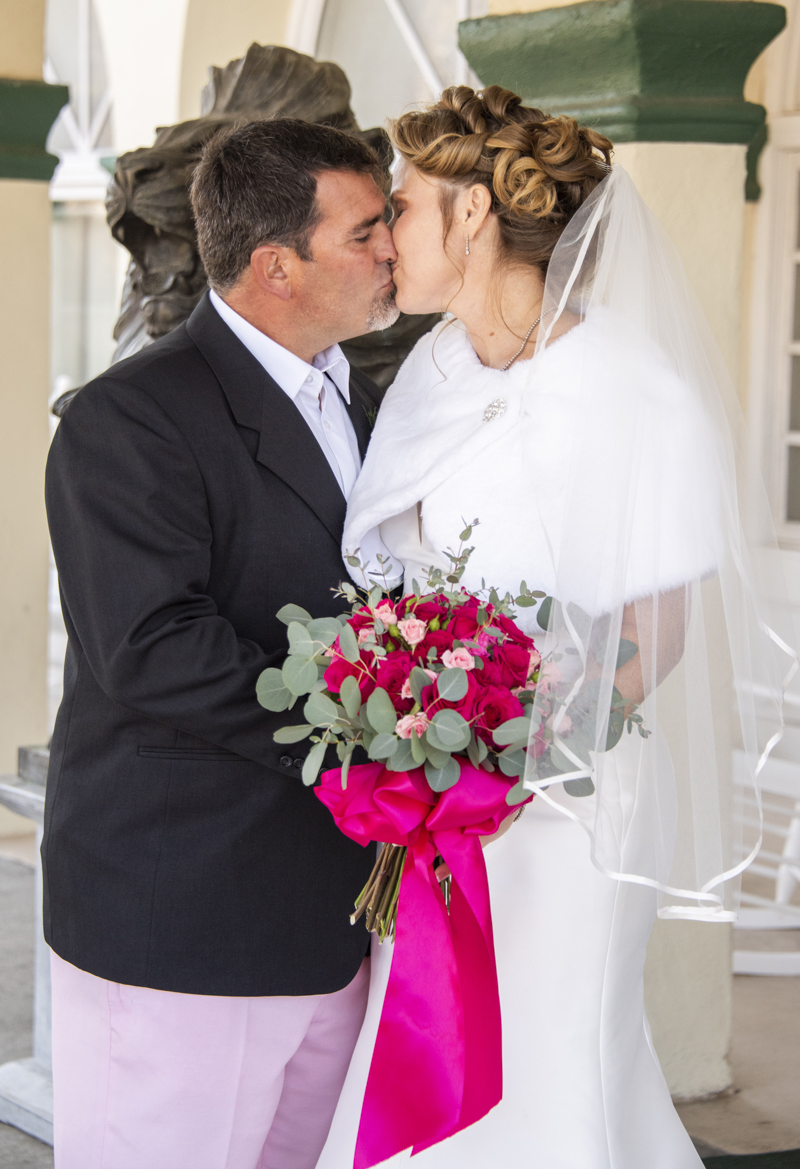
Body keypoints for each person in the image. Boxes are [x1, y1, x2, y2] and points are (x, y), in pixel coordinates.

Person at [317, 85, 788, 1168]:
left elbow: (657, 618)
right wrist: (408, 736)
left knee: (551, 1055)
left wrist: (515, 748)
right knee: (425, 1035)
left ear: (472, 216)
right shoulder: (428, 372)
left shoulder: (627, 384)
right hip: (428, 798)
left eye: (404, 202)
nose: (386, 230)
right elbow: (387, 582)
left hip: (564, 800)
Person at [43, 118, 400, 1169]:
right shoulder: (128, 419)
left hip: (335, 916)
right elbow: (154, 649)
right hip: (184, 914)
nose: (391, 249)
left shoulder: (372, 400)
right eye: (366, 230)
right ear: (275, 265)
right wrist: (380, 736)